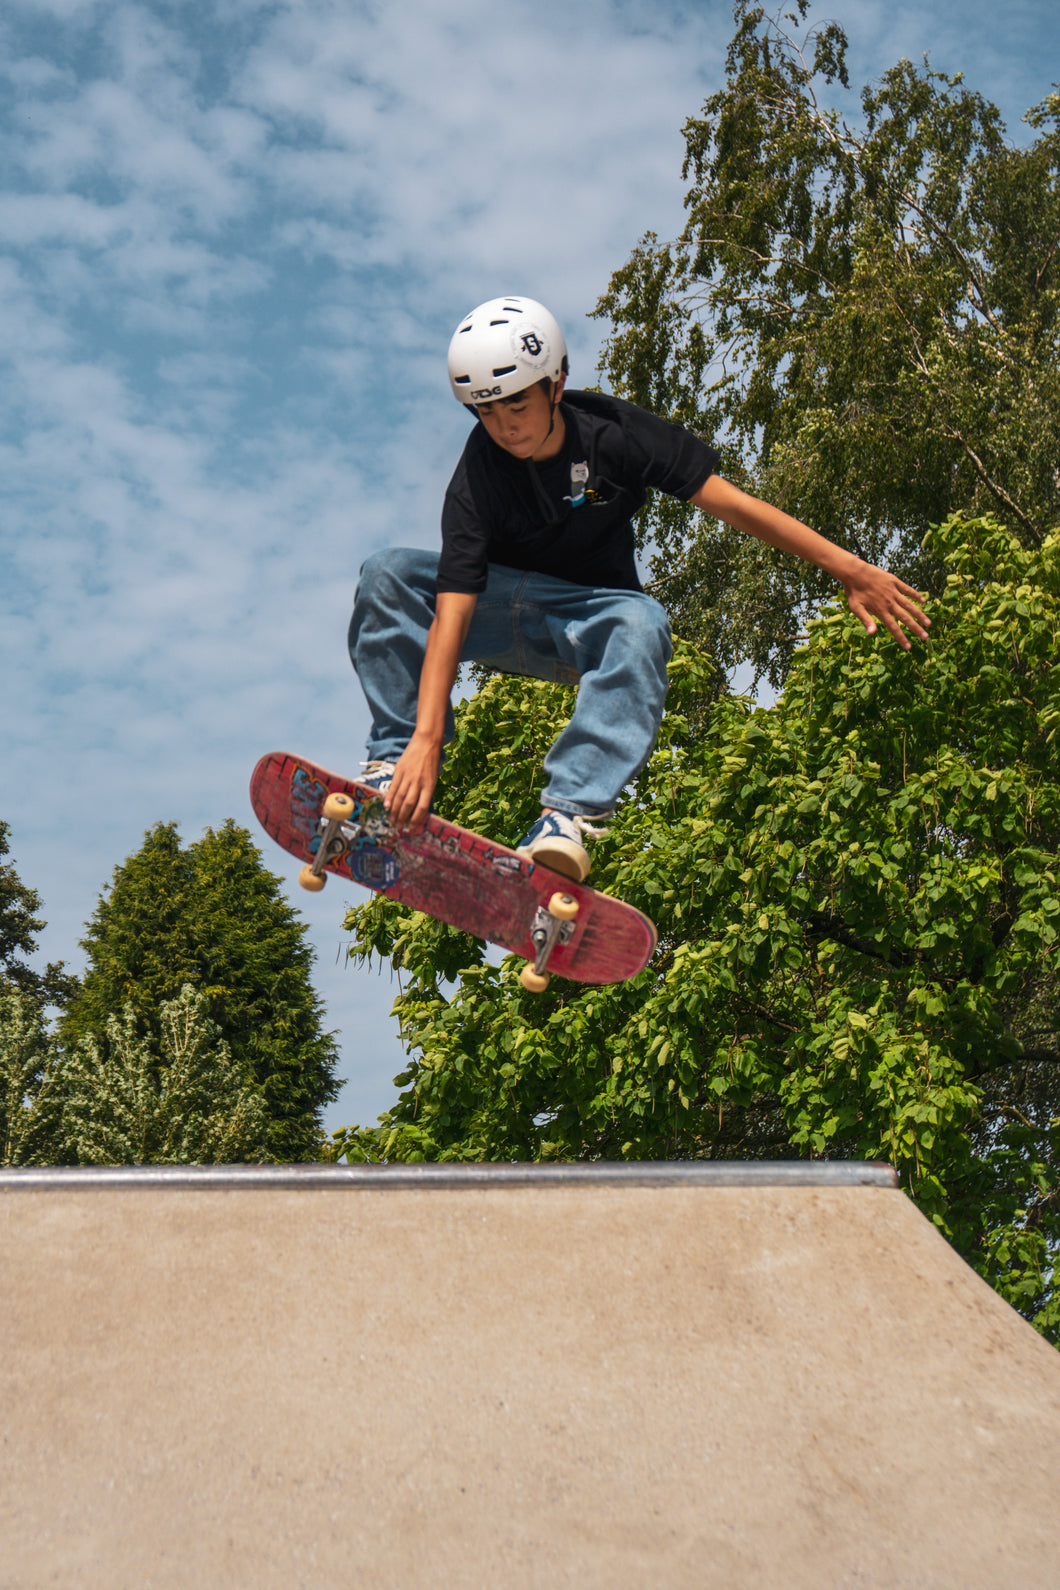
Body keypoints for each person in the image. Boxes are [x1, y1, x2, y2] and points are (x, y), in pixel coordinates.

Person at [348, 295, 929, 882]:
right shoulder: (478, 474)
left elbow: (736, 507)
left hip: (584, 625)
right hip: (496, 614)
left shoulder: (616, 435)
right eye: (486, 413)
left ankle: (568, 818)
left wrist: (849, 569)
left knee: (643, 618)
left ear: (556, 383)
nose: (504, 428)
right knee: (387, 571)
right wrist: (425, 737)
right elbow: (453, 605)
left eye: (516, 405)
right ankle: (393, 766)